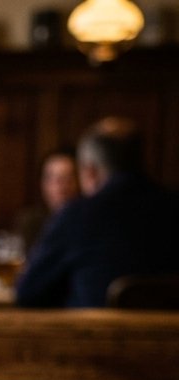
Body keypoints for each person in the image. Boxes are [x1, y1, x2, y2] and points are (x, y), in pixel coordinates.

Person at [15, 117, 179, 308]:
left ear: (89, 171)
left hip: (97, 327)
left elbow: (28, 292)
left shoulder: (77, 215)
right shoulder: (173, 205)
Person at [15, 146, 79, 252]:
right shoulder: (30, 222)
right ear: (42, 184)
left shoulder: (89, 222)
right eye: (51, 178)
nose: (59, 186)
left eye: (67, 178)